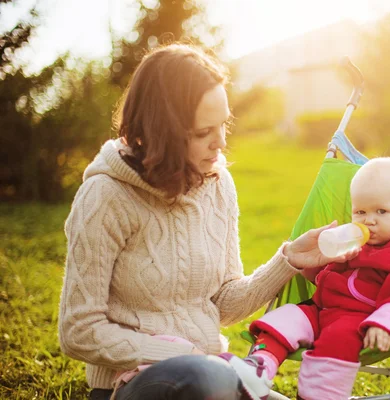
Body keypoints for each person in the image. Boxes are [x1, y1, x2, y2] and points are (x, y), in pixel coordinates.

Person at [58, 43, 359, 400]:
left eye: (224, 125)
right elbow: (78, 330)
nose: (220, 143)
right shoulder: (105, 196)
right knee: (206, 377)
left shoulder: (217, 185)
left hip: (214, 376)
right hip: (134, 385)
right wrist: (178, 353)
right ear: (161, 130)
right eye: (203, 132)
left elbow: (223, 304)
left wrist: (289, 259)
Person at [222, 157, 390, 400]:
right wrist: (313, 267)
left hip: (358, 319)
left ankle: (320, 395)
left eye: (381, 211)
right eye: (360, 212)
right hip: (320, 310)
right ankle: (258, 369)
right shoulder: (353, 240)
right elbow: (326, 279)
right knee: (285, 317)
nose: (369, 220)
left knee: (338, 338)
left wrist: (384, 324)